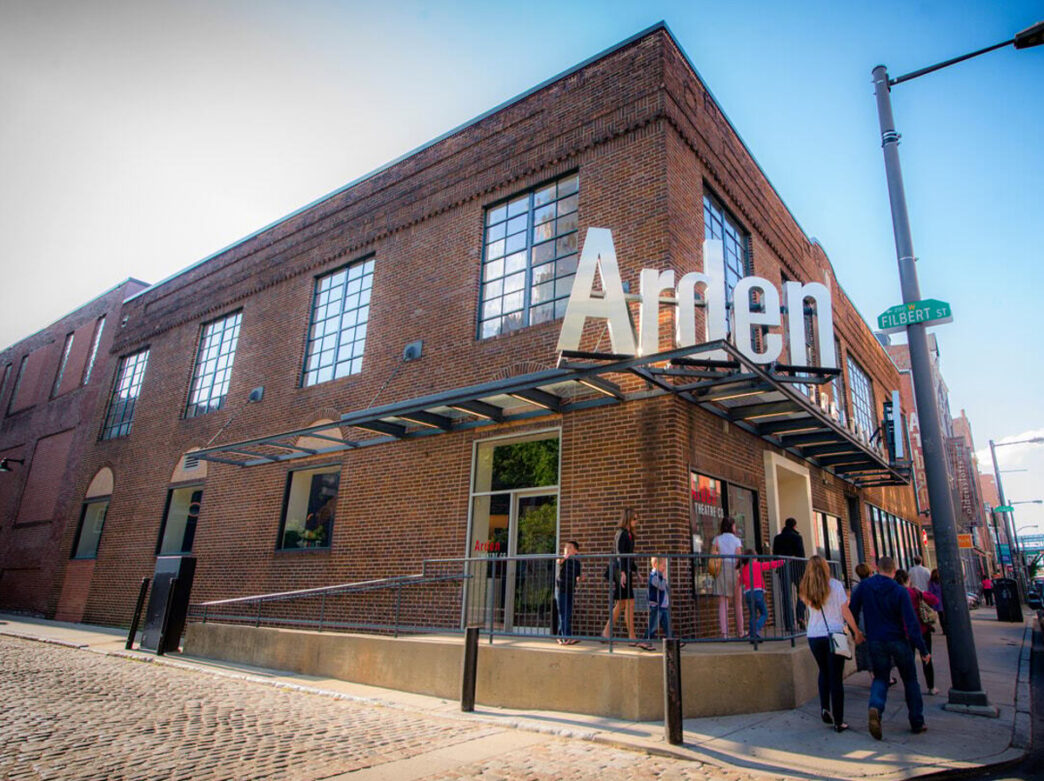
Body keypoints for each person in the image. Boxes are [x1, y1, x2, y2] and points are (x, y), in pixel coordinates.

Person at [850, 556, 931, 740]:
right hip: (898, 640)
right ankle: (917, 721)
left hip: (875, 640)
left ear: (877, 569)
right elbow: (911, 624)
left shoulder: (864, 587)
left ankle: (876, 707)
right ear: (894, 571)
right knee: (910, 680)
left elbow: (852, 609)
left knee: (880, 678)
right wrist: (923, 649)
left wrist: (856, 632)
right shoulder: (900, 591)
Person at [800, 555, 864, 733]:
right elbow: (845, 611)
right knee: (836, 677)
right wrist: (856, 632)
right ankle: (839, 720)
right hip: (836, 634)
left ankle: (824, 707)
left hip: (814, 635)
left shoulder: (805, 588)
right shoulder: (835, 586)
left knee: (824, 672)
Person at [602, 508, 653, 650]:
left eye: (637, 519)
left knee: (623, 604)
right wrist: (623, 572)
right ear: (628, 519)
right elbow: (619, 553)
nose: (637, 521)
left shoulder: (630, 535)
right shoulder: (621, 533)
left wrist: (636, 572)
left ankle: (607, 633)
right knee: (627, 602)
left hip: (625, 571)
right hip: (619, 571)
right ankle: (631, 637)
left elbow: (629, 555)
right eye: (635, 519)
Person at [895, 568, 940, 695]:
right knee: (926, 657)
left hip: (904, 632)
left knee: (908, 662)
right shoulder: (915, 592)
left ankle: (910, 688)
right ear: (908, 580)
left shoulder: (895, 594)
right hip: (921, 630)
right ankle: (931, 686)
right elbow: (934, 600)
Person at [739, 549, 785, 641]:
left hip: (748, 593)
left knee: (753, 614)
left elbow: (741, 581)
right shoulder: (757, 565)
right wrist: (783, 561)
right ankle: (755, 630)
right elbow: (770, 565)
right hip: (757, 592)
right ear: (754, 558)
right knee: (764, 613)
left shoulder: (743, 569)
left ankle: (753, 635)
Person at [711, 516, 744, 638]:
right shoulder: (736, 540)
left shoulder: (717, 539)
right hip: (734, 570)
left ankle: (724, 633)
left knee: (723, 603)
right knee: (738, 602)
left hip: (721, 570)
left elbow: (713, 554)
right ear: (731, 526)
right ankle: (740, 631)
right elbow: (739, 556)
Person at [772, 517, 806, 632]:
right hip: (796, 568)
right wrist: (803, 571)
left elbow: (775, 554)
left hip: (782, 567)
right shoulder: (797, 537)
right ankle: (800, 616)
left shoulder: (777, 538)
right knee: (803, 593)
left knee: (786, 596)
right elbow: (801, 555)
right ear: (794, 526)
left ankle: (789, 623)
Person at [555, 540, 582, 645]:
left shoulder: (577, 563)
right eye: (566, 547)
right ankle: (565, 637)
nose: (567, 549)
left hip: (570, 590)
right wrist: (564, 557)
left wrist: (581, 578)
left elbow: (577, 577)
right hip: (561, 589)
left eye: (570, 547)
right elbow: (559, 561)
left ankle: (561, 636)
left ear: (576, 551)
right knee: (563, 613)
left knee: (567, 613)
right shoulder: (564, 559)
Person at [643, 557, 672, 643]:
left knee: (667, 626)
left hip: (663, 606)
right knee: (653, 625)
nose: (664, 568)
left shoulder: (660, 576)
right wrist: (665, 577)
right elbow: (662, 587)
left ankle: (672, 641)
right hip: (656, 606)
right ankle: (645, 641)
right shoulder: (653, 577)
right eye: (663, 566)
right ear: (655, 565)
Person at [928, 569, 946, 635]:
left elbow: (930, 591)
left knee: (941, 616)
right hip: (943, 600)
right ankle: (946, 628)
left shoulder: (932, 582)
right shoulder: (942, 581)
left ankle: (944, 629)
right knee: (944, 616)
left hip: (937, 601)